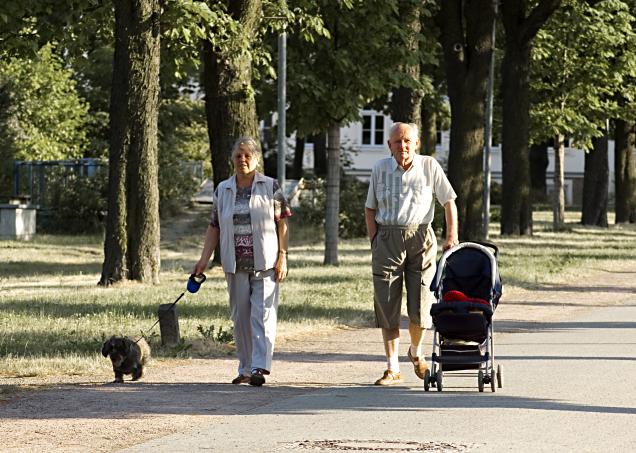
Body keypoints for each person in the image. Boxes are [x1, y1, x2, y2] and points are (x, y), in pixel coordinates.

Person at [365, 122, 458, 386]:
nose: (403, 146)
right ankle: (392, 367)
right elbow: (370, 208)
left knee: (422, 303)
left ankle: (415, 352)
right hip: (387, 238)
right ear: (389, 146)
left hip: (421, 238)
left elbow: (448, 201)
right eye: (397, 142)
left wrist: (451, 236)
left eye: (407, 141)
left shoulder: (429, 166)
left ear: (416, 143)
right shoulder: (379, 169)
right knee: (386, 303)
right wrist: (375, 240)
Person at [193, 136, 291, 387]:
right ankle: (245, 368)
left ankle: (259, 367)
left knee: (263, 314)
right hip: (234, 262)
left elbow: (283, 223)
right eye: (238, 155)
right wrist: (203, 260)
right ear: (232, 160)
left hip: (266, 260)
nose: (242, 160)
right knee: (240, 317)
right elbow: (214, 226)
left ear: (256, 159)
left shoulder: (270, 186)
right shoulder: (223, 189)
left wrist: (283, 255)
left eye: (248, 155)